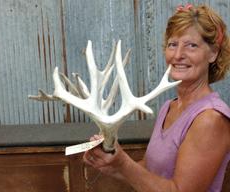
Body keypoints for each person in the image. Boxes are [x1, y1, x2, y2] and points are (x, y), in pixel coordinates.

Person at [83, 3, 230, 192]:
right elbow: (152, 172)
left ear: (213, 53)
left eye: (191, 46)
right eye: (172, 44)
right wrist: (111, 163)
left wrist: (123, 163)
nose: (178, 55)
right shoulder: (169, 107)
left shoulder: (210, 120)